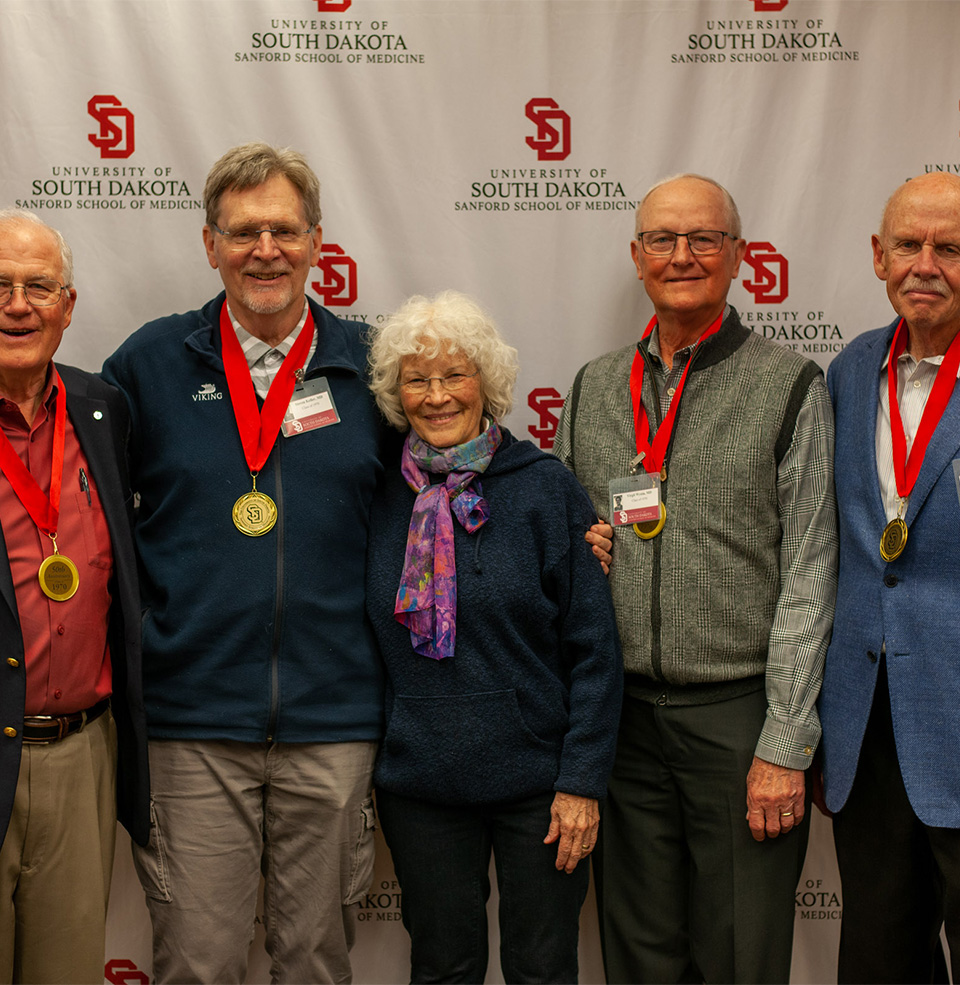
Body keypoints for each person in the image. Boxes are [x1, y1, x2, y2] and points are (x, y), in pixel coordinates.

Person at [101, 143, 390, 984]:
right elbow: (95, 518)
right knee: (198, 965)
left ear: (318, 242)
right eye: (244, 231)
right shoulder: (149, 366)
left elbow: (447, 490)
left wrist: (560, 525)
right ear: (209, 243)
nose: (266, 249)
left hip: (335, 721)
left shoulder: (374, 369)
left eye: (284, 230)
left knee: (316, 965)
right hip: (192, 726)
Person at [554, 174, 838, 984]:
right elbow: (565, 535)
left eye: (704, 238)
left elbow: (812, 568)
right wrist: (582, 548)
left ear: (738, 256)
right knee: (638, 955)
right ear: (636, 257)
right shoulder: (593, 385)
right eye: (663, 240)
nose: (683, 255)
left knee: (740, 955)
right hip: (624, 723)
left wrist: (784, 741)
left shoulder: (791, 386)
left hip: (738, 719)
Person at [365, 290, 623, 984]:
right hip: (420, 782)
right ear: (397, 393)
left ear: (489, 382)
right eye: (417, 379)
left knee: (542, 968)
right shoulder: (377, 491)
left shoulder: (545, 489)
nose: (437, 394)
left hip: (538, 786)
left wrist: (581, 783)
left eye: (455, 374)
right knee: (442, 968)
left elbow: (596, 651)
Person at [818, 171, 960, 984]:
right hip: (867, 728)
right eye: (908, 244)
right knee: (879, 957)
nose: (925, 263)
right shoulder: (848, 370)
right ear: (878, 256)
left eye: (949, 247)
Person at [0, 209, 148, 984]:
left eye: (38, 287)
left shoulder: (103, 409)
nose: (17, 304)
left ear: (69, 304)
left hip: (85, 749)